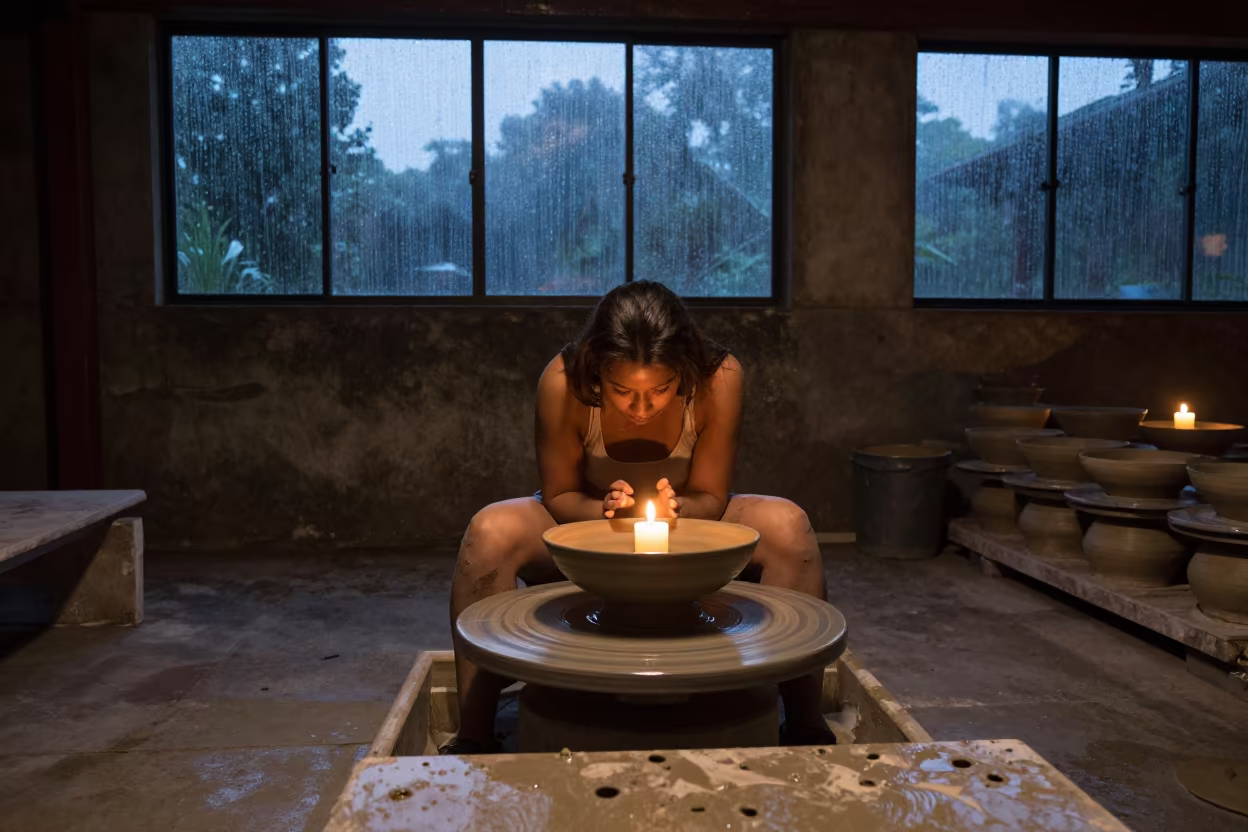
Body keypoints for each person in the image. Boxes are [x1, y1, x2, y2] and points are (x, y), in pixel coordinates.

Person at [445, 280, 830, 754]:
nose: (641, 408)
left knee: (789, 525)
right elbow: (560, 493)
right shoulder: (563, 381)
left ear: (684, 371)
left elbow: (711, 494)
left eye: (661, 390)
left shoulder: (720, 378)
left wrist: (681, 509)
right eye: (622, 391)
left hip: (687, 521)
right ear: (597, 370)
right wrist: (602, 510)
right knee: (490, 530)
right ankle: (475, 732)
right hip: (582, 521)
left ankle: (806, 725)